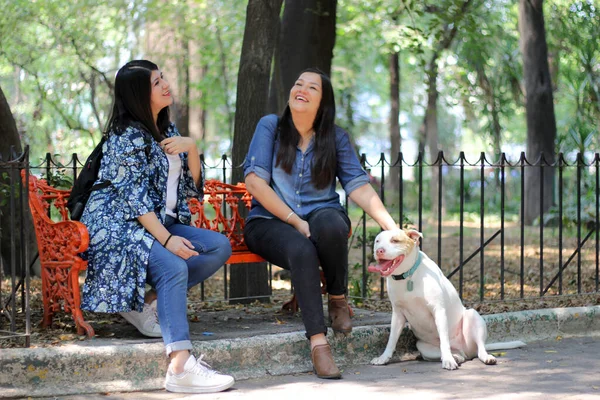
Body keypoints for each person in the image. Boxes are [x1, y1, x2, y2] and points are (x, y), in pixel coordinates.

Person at [79, 60, 235, 394]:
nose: (165, 84)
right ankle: (180, 366)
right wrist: (167, 241)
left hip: (156, 222)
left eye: (163, 77)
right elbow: (134, 200)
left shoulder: (167, 130)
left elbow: (191, 189)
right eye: (155, 82)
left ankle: (145, 300)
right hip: (116, 225)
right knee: (174, 266)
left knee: (218, 246)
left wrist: (191, 148)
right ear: (138, 94)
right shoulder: (124, 136)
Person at [243, 68, 397, 379]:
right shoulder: (270, 127)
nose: (301, 89)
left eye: (312, 87)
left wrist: (391, 230)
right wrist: (295, 221)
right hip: (268, 220)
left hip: (321, 214)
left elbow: (358, 186)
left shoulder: (336, 138)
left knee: (330, 225)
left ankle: (338, 298)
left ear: (323, 102)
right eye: (298, 83)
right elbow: (255, 183)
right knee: (301, 248)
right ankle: (318, 343)